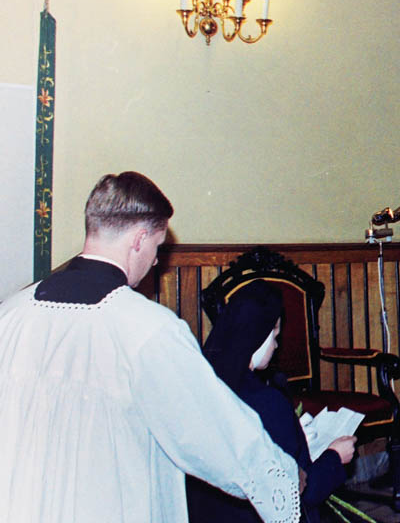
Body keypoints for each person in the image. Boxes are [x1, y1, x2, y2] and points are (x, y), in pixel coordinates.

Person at [0, 172, 302, 523]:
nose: (156, 261)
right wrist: (279, 477)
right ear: (140, 239)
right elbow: (208, 426)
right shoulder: (147, 328)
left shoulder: (11, 312)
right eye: (158, 248)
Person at [187, 281, 357, 522]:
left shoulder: (201, 389)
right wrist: (335, 457)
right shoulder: (266, 402)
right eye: (274, 336)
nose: (277, 345)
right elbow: (301, 493)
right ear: (258, 338)